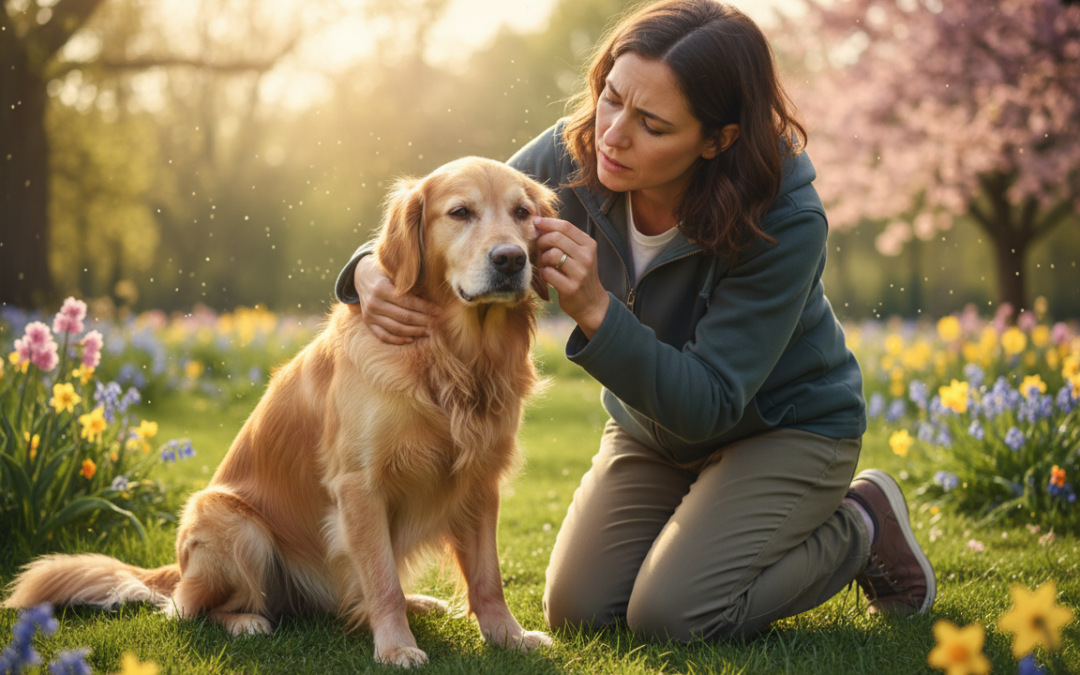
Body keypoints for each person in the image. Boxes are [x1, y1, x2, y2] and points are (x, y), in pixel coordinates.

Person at [334, 0, 935, 641]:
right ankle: (707, 520)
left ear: (717, 139)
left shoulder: (785, 218)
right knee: (579, 612)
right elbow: (465, 201)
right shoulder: (579, 148)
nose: (613, 135)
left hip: (781, 428)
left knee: (674, 615)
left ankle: (863, 524)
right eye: (611, 98)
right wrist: (367, 268)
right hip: (652, 432)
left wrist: (595, 308)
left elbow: (710, 402)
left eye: (651, 124)